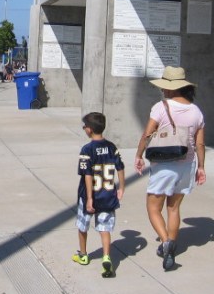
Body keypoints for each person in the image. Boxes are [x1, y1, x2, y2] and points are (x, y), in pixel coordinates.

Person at [135, 66, 205, 271]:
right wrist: (201, 167)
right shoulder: (196, 111)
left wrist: (139, 155)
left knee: (153, 207)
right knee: (173, 208)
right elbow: (200, 144)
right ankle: (171, 245)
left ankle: (166, 242)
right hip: (187, 164)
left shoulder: (160, 107)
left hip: (164, 164)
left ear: (171, 88)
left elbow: (146, 135)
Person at [73, 112, 125, 278]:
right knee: (105, 229)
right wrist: (121, 187)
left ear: (88, 130)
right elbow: (120, 167)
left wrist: (89, 198)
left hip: (90, 196)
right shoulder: (112, 147)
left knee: (83, 226)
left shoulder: (87, 150)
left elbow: (87, 174)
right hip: (108, 195)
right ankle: (106, 256)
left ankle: (83, 254)